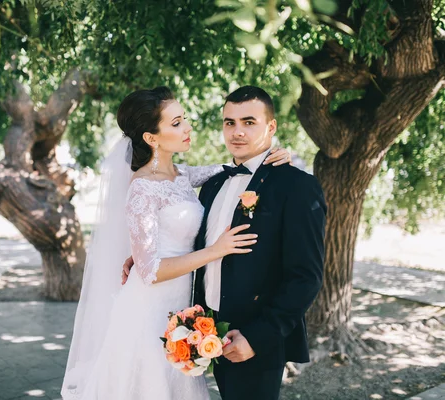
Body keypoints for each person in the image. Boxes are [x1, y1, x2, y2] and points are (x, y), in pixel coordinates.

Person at [62, 86, 291, 400]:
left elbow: (234, 169)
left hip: (180, 306)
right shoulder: (142, 187)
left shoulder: (183, 175)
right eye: (176, 123)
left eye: (184, 119)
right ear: (151, 138)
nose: (187, 128)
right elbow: (150, 271)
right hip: (148, 309)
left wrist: (274, 155)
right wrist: (216, 250)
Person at [124, 85, 327, 399]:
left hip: (252, 337)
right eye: (229, 122)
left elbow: (306, 278)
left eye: (249, 122)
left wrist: (257, 338)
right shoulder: (215, 182)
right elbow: (189, 240)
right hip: (202, 329)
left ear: (271, 127)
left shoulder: (297, 186)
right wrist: (141, 255)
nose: (237, 132)